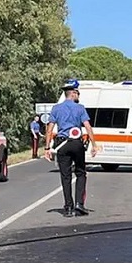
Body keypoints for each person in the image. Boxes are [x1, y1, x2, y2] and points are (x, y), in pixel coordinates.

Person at [44, 79, 101, 218]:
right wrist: (94, 145)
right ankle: (79, 204)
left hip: (62, 144)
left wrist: (47, 148)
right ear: (74, 93)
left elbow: (50, 128)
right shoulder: (80, 108)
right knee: (81, 173)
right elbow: (87, 127)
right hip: (76, 143)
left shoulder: (56, 108)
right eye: (78, 93)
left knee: (65, 176)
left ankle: (68, 207)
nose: (78, 96)